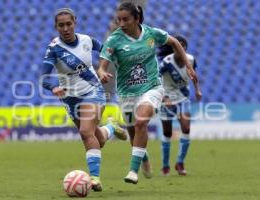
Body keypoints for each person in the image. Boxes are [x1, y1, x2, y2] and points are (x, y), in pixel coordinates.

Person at [97, 2, 198, 184]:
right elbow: (102, 65)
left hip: (152, 87)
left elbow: (174, 42)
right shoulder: (114, 40)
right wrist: (103, 73)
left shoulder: (151, 33)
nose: (121, 23)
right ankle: (144, 159)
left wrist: (188, 65)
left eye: (126, 19)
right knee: (134, 134)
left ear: (137, 19)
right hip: (127, 93)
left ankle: (132, 171)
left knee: (142, 121)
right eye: (118, 19)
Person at [40, 8, 127, 192]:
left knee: (85, 131)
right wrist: (53, 87)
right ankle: (111, 127)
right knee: (98, 139)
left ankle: (94, 178)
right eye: (61, 25)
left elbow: (106, 52)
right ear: (56, 27)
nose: (65, 28)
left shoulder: (88, 40)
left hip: (93, 91)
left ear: (75, 23)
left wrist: (103, 70)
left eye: (68, 24)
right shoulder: (54, 49)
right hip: (71, 100)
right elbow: (44, 78)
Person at [159, 35, 202, 176]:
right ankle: (165, 165)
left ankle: (180, 162)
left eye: (183, 45)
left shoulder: (190, 59)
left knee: (186, 127)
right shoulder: (166, 62)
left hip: (183, 98)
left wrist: (197, 90)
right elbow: (157, 80)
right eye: (178, 45)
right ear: (173, 48)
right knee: (167, 133)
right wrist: (164, 98)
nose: (180, 47)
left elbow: (193, 75)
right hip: (167, 99)